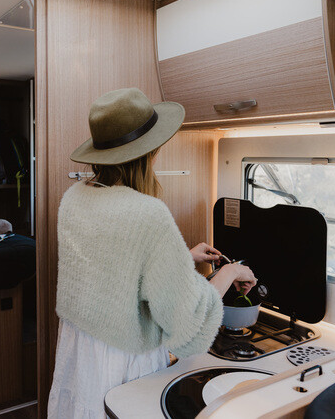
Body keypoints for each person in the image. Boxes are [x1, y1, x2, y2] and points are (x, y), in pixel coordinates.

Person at [47, 88, 257, 418]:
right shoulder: (147, 214)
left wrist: (181, 258)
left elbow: (110, 272)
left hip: (80, 353)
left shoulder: (75, 198)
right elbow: (189, 322)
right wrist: (231, 272)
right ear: (148, 154)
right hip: (123, 362)